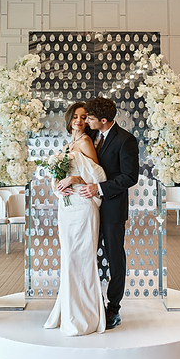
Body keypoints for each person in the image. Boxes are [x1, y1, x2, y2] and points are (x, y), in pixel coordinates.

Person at [59, 96, 139, 330]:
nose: (85, 121)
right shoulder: (90, 137)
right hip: (88, 208)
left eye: (90, 118)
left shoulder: (126, 140)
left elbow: (129, 177)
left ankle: (113, 308)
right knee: (85, 256)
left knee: (115, 259)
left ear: (103, 120)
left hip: (113, 208)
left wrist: (100, 188)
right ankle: (89, 304)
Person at [44, 102, 106, 336]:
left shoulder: (86, 142)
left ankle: (84, 318)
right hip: (67, 207)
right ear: (69, 119)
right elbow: (62, 175)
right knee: (69, 258)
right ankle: (68, 313)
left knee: (81, 258)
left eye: (83, 117)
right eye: (75, 117)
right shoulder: (70, 144)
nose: (79, 121)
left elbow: (98, 175)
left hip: (82, 206)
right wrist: (59, 186)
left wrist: (75, 180)